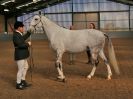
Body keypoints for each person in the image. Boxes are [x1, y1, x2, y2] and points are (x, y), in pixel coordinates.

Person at [13, 21, 32, 90]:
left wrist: (29, 33)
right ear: (19, 28)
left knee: (26, 67)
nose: (23, 28)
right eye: (22, 27)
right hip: (20, 55)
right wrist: (28, 44)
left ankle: (23, 80)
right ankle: (18, 84)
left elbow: (23, 39)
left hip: (23, 54)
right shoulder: (15, 35)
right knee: (20, 69)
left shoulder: (19, 34)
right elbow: (20, 45)